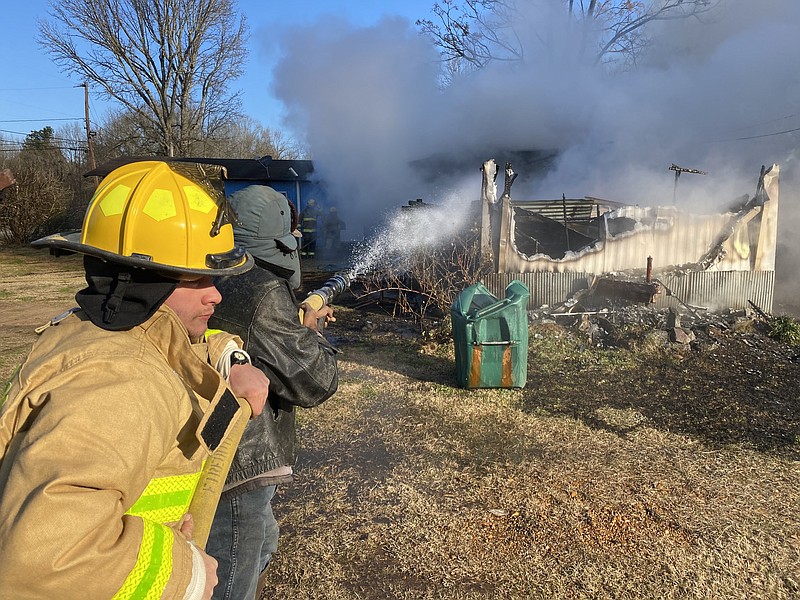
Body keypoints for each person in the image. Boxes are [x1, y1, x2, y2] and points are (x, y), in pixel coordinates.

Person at [0, 161, 270, 600]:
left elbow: (179, 346)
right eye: (197, 277)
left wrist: (230, 358)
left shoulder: (101, 325)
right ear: (145, 280)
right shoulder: (121, 383)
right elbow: (42, 561)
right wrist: (188, 573)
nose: (215, 294)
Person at [205, 184, 339, 600]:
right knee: (232, 580)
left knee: (263, 545)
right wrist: (310, 331)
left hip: (213, 448)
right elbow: (314, 381)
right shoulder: (262, 290)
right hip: (241, 462)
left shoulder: (208, 273)